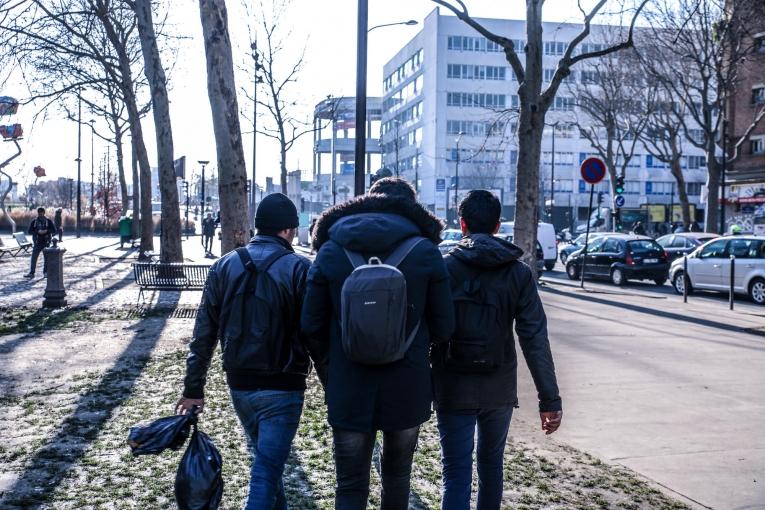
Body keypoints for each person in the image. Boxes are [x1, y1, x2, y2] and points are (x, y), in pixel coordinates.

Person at [301, 178, 455, 509]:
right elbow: (445, 327)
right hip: (407, 386)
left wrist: (333, 367)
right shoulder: (425, 252)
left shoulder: (330, 250)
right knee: (398, 480)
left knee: (350, 485)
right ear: (411, 209)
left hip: (349, 384)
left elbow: (310, 324)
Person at [176, 193, 313, 509]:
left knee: (269, 464)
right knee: (266, 471)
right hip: (284, 385)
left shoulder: (225, 265)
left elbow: (203, 334)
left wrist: (193, 388)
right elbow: (315, 334)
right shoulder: (300, 269)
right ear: (289, 230)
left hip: (239, 384)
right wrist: (334, 383)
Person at [432, 190, 562, 510]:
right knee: (491, 467)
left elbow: (426, 331)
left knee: (456, 472)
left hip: (452, 386)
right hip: (498, 386)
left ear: (462, 224)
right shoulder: (518, 273)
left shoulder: (443, 269)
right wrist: (550, 399)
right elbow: (534, 338)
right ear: (497, 226)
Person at [24, 207, 56, 278]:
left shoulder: (48, 221)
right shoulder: (34, 221)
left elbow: (54, 230)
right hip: (37, 243)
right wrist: (37, 232)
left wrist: (46, 231)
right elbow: (29, 231)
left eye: (41, 213)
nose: (40, 214)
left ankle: (45, 272)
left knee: (46, 259)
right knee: (34, 258)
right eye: (39, 213)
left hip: (46, 242)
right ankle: (32, 273)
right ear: (38, 213)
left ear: (44, 213)